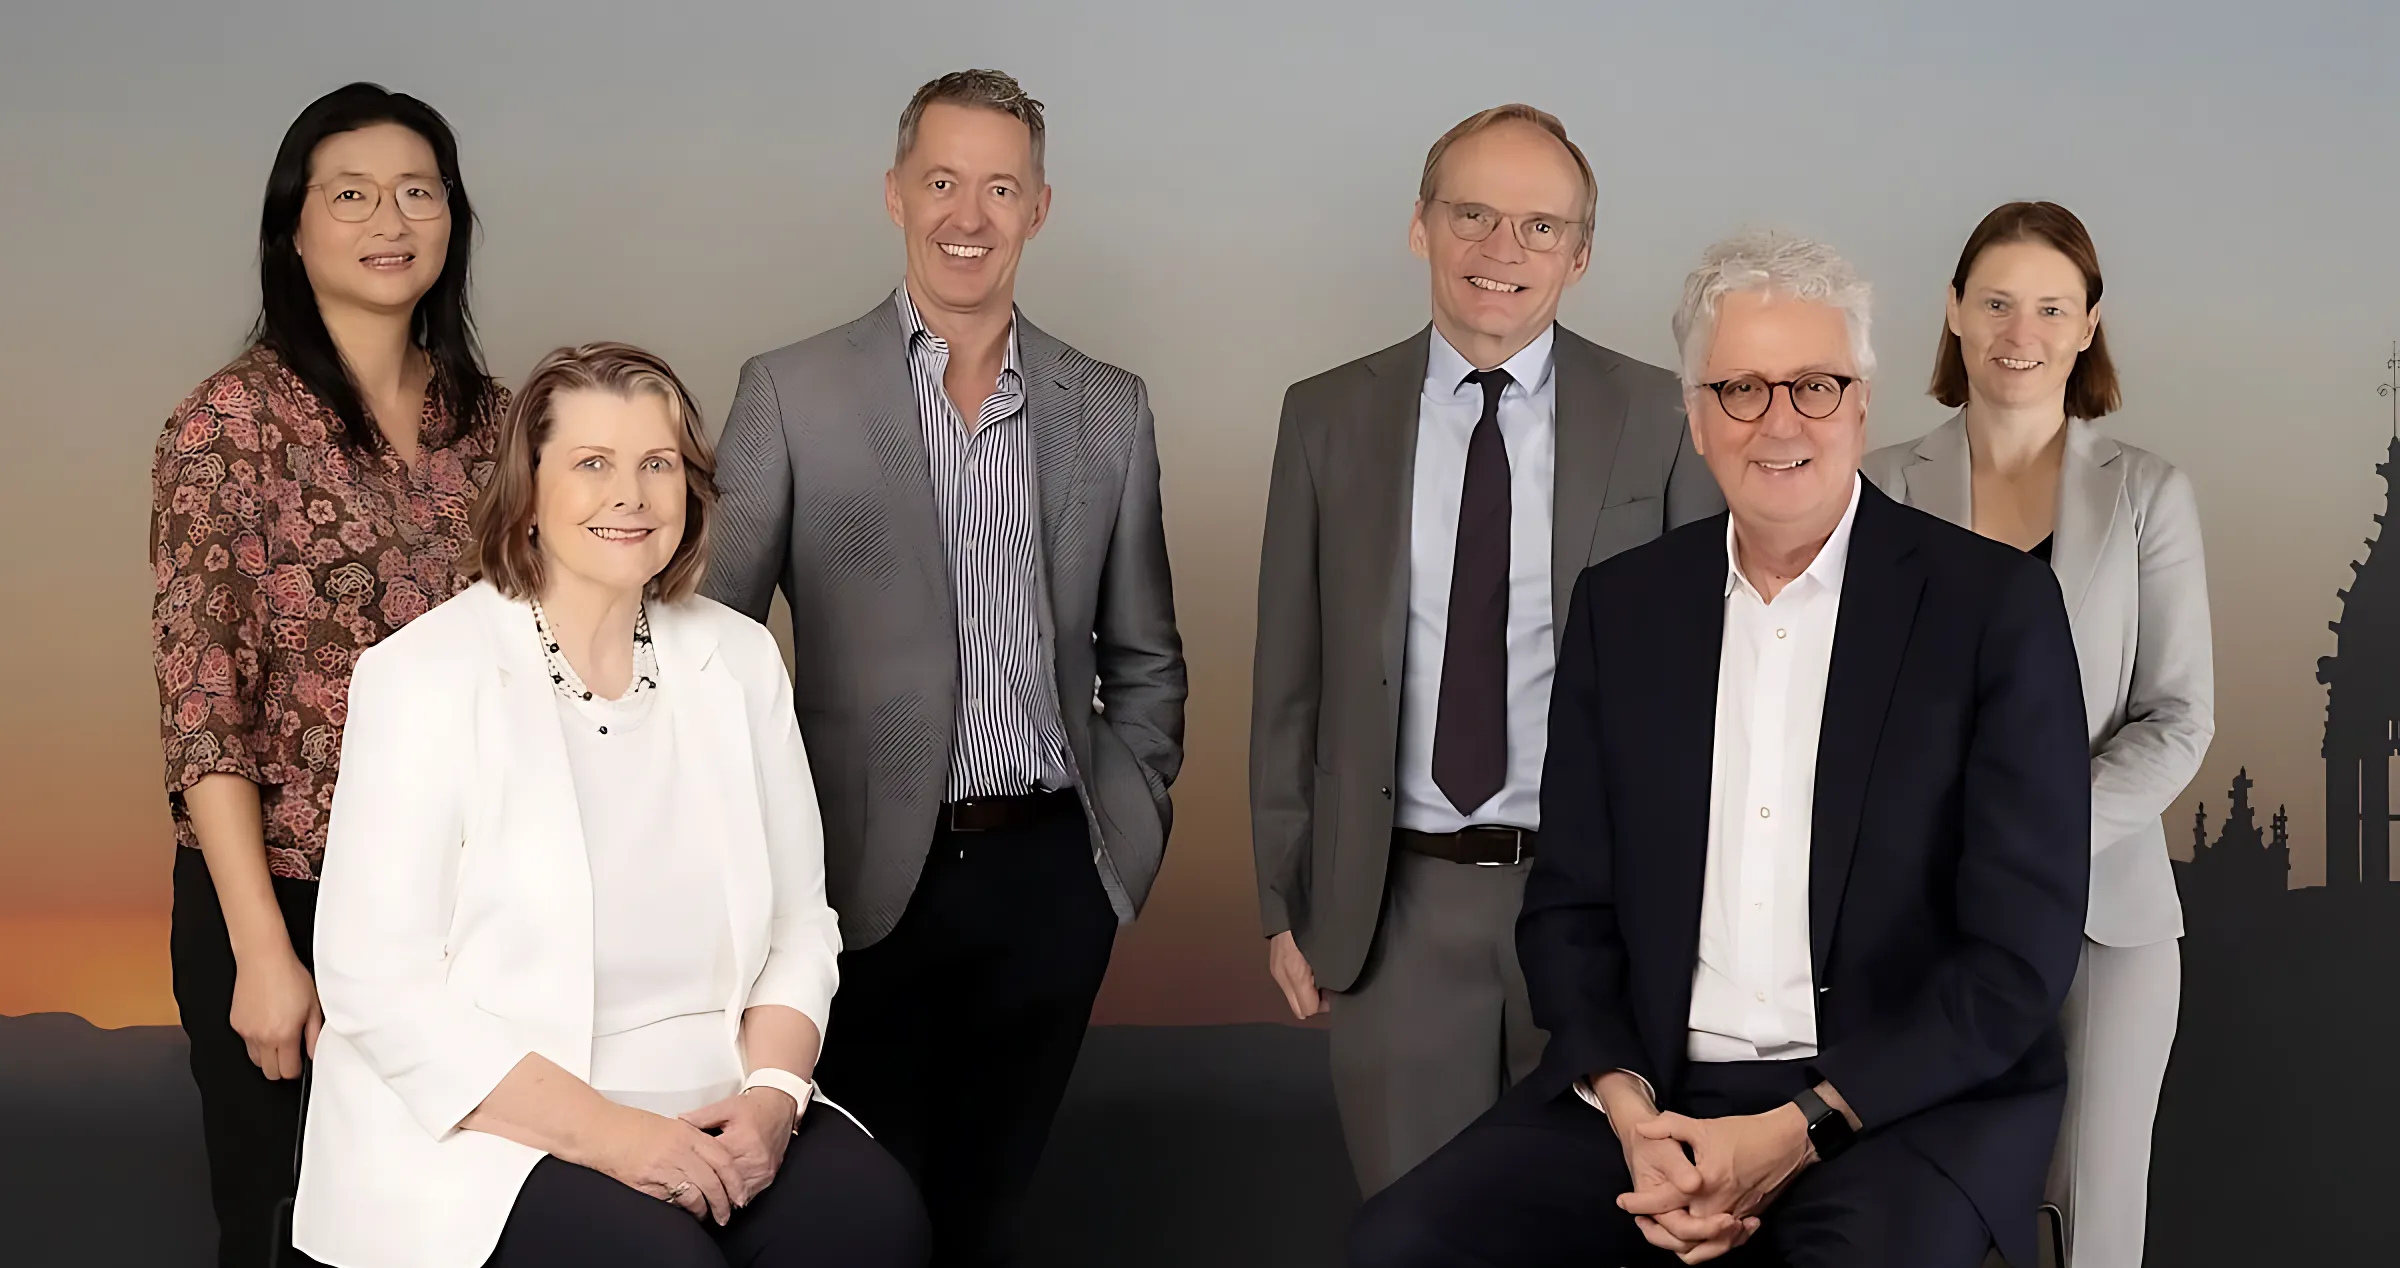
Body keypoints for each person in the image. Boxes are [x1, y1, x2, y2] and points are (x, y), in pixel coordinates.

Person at [1349, 231, 2092, 1267]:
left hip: (1901, 1106)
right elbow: (1569, 911)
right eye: (1740, 388)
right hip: (1652, 1095)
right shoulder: (1625, 607)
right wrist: (1629, 1111)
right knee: (1398, 1245)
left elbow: (2016, 960)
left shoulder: (1994, 609)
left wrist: (1800, 1129)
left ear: (1863, 403)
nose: (1778, 421)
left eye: (1815, 387)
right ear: (1696, 419)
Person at [291, 343, 930, 1268]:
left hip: (716, 1094)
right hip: (500, 1128)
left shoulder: (740, 660)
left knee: (875, 1227)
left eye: (656, 464)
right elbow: (374, 984)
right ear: (528, 490)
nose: (629, 494)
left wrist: (774, 1099)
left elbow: (800, 927)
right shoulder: (423, 676)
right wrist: (620, 1137)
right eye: (592, 464)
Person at [704, 69, 1185, 1266]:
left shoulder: (1107, 408)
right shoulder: (792, 391)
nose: (968, 214)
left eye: (1000, 187)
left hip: (1049, 878)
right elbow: (702, 640)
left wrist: (1117, 843)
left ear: (1039, 208)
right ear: (895, 193)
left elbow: (1145, 657)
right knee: (866, 1215)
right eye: (942, 182)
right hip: (853, 884)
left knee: (990, 1215)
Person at [1249, 103, 1721, 1197]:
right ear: (1421, 225)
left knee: (1603, 1228)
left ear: (1582, 252)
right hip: (1394, 910)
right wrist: (1285, 900)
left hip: (1601, 905)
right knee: (1420, 1229)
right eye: (1472, 214)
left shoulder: (1663, 417)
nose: (1501, 251)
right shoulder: (1325, 416)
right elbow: (1290, 677)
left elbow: (1709, 681)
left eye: (1539, 226)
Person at [149, 81, 505, 1267]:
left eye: (418, 191)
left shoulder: (501, 428)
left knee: (463, 1218)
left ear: (452, 219)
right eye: (349, 194)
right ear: (293, 229)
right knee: (288, 1228)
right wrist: (261, 947)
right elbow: (203, 707)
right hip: (286, 898)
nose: (389, 219)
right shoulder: (225, 425)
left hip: (467, 910)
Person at [1864, 200, 2212, 1268]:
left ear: (2088, 324)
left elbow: (2178, 714)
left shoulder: (2149, 490)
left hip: (2103, 920)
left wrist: (2033, 836)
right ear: (1955, 313)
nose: (2023, 329)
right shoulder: (1873, 483)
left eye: (2052, 306)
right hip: (1908, 922)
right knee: (1915, 1216)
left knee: (2088, 1228)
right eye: (1999, 300)